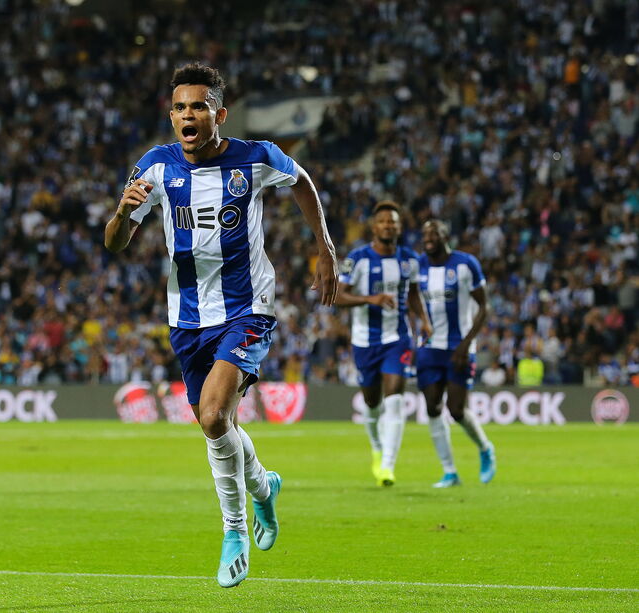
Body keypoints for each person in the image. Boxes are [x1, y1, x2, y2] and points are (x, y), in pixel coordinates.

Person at [105, 63, 338, 588]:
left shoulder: (253, 158)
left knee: (212, 418)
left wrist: (324, 248)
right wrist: (122, 213)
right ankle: (263, 486)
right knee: (220, 424)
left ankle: (233, 532)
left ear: (219, 114)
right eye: (181, 107)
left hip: (247, 306)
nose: (189, 115)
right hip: (187, 317)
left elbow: (302, 181)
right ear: (172, 117)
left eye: (199, 106)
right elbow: (115, 243)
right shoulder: (155, 167)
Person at [334, 201, 432, 486]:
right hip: (365, 341)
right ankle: (377, 448)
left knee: (395, 401)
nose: (389, 225)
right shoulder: (358, 259)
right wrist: (370, 299)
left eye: (393, 222)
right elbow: (338, 297)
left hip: (398, 339)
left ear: (399, 227)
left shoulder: (409, 260)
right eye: (384, 222)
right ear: (374, 227)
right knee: (372, 403)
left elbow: (413, 294)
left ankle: (388, 466)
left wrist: (423, 320)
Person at [416, 220, 496, 488]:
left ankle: (485, 448)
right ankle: (450, 472)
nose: (429, 238)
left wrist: (466, 344)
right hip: (429, 347)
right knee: (432, 407)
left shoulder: (465, 264)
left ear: (445, 236)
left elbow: (484, 307)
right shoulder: (418, 265)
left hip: (459, 347)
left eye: (434, 233)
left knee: (457, 409)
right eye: (425, 234)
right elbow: (412, 302)